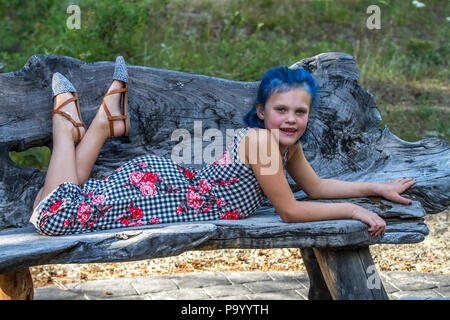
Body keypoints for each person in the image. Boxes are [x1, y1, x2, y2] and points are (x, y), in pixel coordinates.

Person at [30, 58, 416, 237]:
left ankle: (99, 123)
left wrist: (375, 188)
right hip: (156, 193)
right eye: (281, 110)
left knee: (55, 203)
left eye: (300, 112)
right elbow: (289, 210)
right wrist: (353, 210)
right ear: (262, 113)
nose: (291, 119)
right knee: (51, 215)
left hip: (159, 185)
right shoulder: (263, 142)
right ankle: (69, 128)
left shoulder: (285, 147)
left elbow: (316, 189)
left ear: (309, 115)